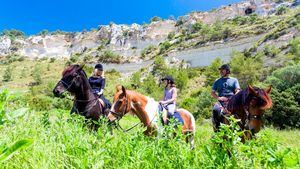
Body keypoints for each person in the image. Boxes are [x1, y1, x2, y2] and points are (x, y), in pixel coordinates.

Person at [211, 64, 240, 131]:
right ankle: (217, 129)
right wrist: (219, 98)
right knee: (215, 110)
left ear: (227, 71)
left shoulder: (234, 80)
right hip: (221, 100)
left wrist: (233, 98)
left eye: (222, 70)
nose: (220, 71)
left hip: (232, 100)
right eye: (220, 70)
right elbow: (212, 93)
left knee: (243, 108)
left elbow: (237, 90)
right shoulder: (217, 81)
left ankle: (246, 126)